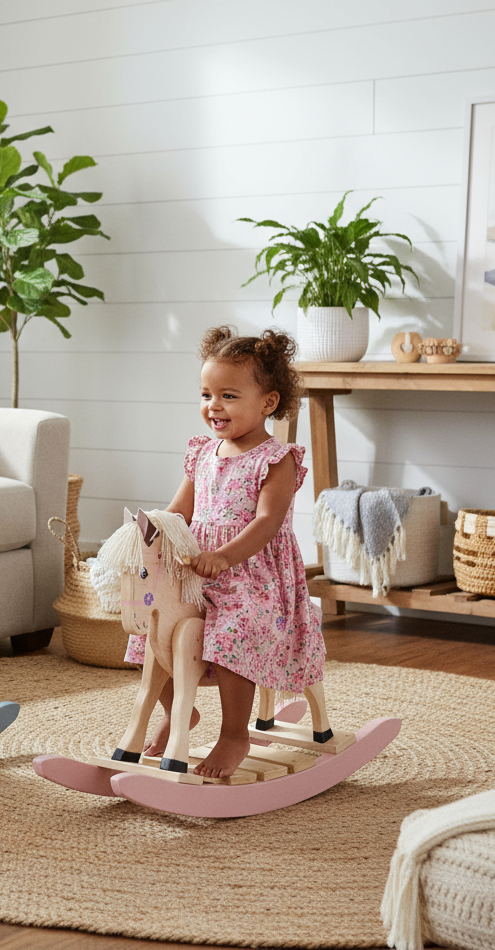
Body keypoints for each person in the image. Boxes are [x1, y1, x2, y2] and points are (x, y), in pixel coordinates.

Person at [125, 325, 325, 778]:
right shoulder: (202, 453)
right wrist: (147, 533)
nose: (213, 406)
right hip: (197, 572)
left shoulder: (276, 459)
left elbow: (267, 522)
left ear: (268, 403)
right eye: (206, 394)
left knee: (234, 627)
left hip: (253, 577)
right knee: (149, 624)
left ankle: (235, 733)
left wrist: (225, 557)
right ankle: (179, 711)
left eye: (228, 396)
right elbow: (178, 511)